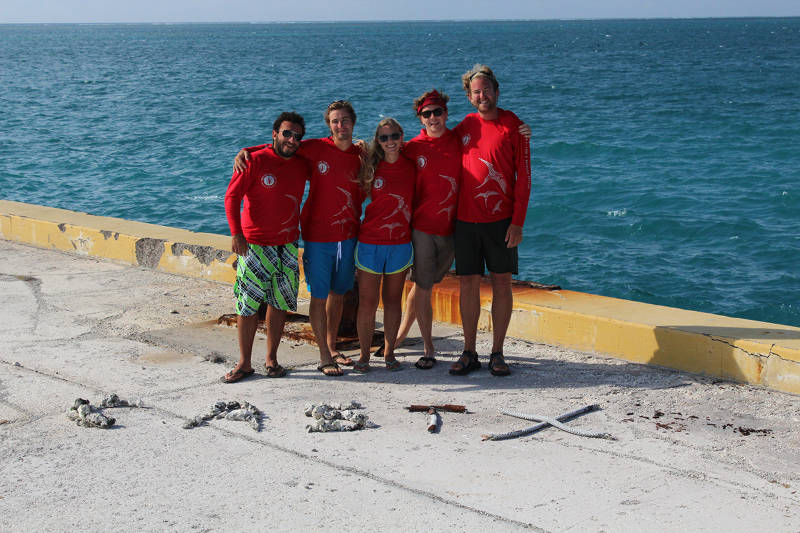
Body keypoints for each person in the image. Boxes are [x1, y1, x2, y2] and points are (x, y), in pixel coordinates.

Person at [233, 101, 364, 377]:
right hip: (302, 238)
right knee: (255, 303)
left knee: (328, 296)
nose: (340, 125)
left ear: (353, 122)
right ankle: (251, 361)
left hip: (328, 238)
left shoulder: (359, 154)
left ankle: (312, 351)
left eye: (344, 120)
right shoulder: (313, 149)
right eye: (335, 121)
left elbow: (385, 158)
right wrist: (246, 150)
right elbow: (278, 152)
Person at [449, 64, 531, 377]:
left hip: (501, 221)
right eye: (476, 92)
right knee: (468, 284)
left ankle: (497, 352)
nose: (482, 96)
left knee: (501, 283)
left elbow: (524, 178)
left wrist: (518, 222)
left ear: (496, 92)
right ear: (469, 98)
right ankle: (469, 351)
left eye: (487, 90)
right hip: (466, 221)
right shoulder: (465, 126)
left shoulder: (514, 126)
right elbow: (436, 144)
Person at [222, 112, 309, 382]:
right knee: (247, 305)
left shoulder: (301, 162)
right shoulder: (254, 161)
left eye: (297, 136)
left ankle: (272, 359)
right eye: (286, 134)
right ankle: (244, 363)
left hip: (287, 244)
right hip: (254, 245)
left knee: (279, 302)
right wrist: (236, 233)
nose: (292, 140)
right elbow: (231, 197)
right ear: (275, 134)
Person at [395, 90, 461, 370]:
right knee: (422, 287)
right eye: (427, 114)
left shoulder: (460, 141)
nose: (433, 118)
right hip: (420, 227)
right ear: (420, 118)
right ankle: (428, 347)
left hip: (452, 228)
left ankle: (398, 336)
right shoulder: (412, 148)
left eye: (438, 112)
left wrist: (522, 131)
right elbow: (380, 156)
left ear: (446, 113)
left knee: (424, 285)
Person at [352, 118, 415, 373]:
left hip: (400, 244)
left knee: (392, 301)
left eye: (394, 136)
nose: (390, 141)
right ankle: (364, 356)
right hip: (370, 243)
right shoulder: (370, 165)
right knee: (367, 302)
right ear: (377, 141)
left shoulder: (412, 166)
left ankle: (389, 353)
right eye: (384, 137)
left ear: (402, 137)